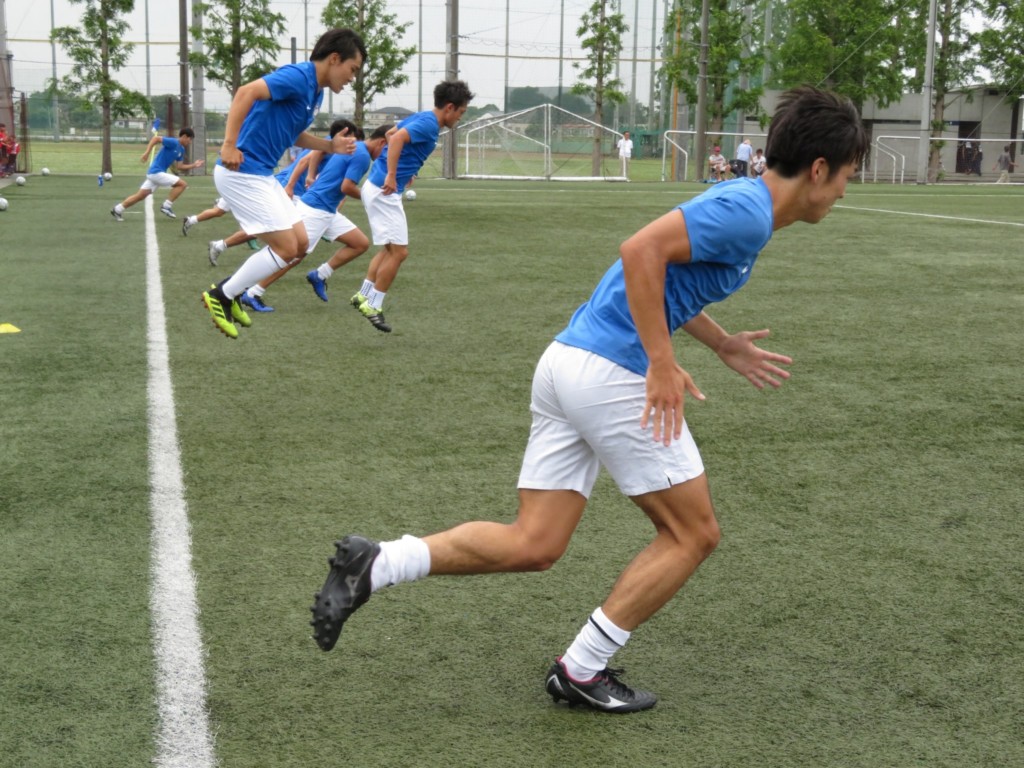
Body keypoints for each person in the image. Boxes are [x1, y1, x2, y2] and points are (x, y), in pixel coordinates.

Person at [309, 85, 868, 713]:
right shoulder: (750, 211)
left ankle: (377, 563)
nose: (846, 190)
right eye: (848, 173)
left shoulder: (745, 206)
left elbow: (668, 280)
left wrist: (719, 344)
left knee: (535, 543)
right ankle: (582, 668)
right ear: (819, 169)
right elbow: (640, 252)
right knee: (693, 534)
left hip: (568, 365)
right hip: (612, 373)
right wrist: (660, 361)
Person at [200, 27, 366, 340]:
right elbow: (245, 93)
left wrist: (329, 147)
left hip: (261, 174)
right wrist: (228, 144)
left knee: (301, 245)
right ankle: (223, 295)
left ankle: (230, 293)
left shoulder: (314, 91)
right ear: (334, 59)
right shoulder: (299, 77)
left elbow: (293, 133)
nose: (351, 77)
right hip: (241, 173)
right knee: (287, 246)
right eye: (352, 69)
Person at [347, 79, 474, 333]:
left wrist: (406, 169)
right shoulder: (429, 124)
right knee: (400, 252)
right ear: (449, 107)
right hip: (385, 190)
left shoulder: (424, 117)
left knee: (388, 249)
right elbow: (395, 141)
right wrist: (392, 175)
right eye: (460, 113)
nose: (459, 118)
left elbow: (392, 134)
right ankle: (374, 304)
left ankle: (363, 294)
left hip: (376, 188)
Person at [237, 120, 386, 313]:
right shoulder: (362, 156)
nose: (386, 158)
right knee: (292, 255)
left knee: (360, 243)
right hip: (316, 209)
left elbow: (316, 154)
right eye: (388, 152)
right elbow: (346, 187)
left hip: (327, 209)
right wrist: (372, 199)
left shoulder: (355, 146)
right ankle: (252, 292)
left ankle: (320, 274)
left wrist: (311, 175)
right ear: (382, 143)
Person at [111, 128, 203, 221]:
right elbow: (156, 139)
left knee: (140, 196)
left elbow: (180, 166)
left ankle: (118, 209)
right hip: (156, 172)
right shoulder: (174, 142)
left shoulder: (181, 150)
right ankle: (166, 206)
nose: (190, 142)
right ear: (184, 136)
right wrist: (146, 153)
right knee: (182, 184)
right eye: (190, 139)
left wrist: (194, 165)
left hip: (156, 174)